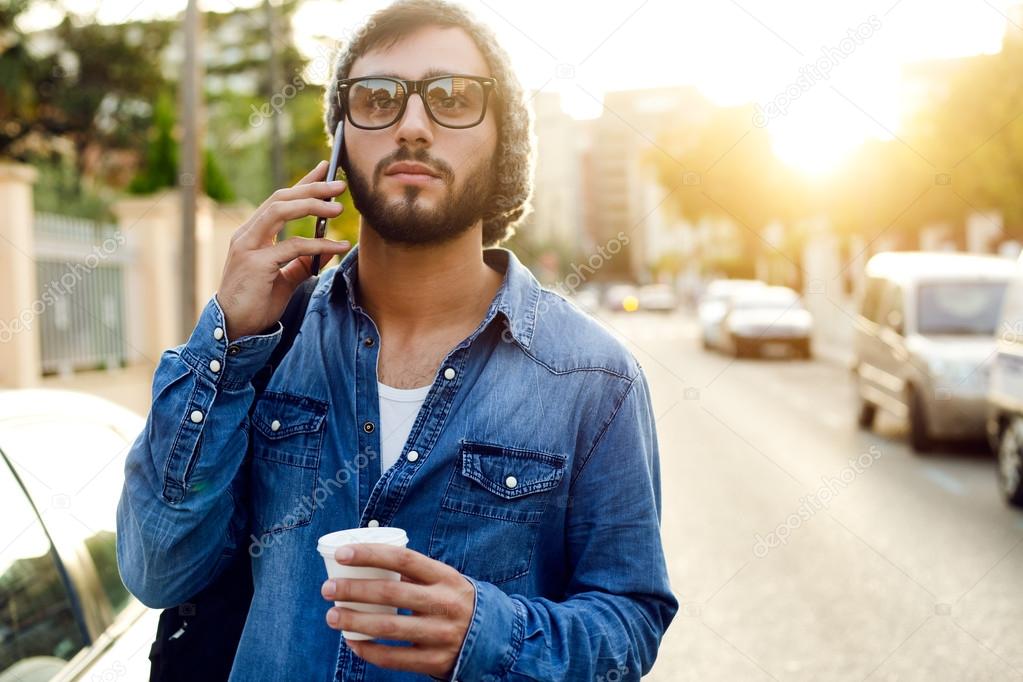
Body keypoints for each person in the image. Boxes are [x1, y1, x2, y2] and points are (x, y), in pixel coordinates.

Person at [116, 0, 677, 679]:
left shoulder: (596, 379)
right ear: (339, 144)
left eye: (452, 97)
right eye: (378, 98)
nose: (413, 125)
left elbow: (630, 620)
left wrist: (489, 632)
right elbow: (156, 571)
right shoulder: (263, 345)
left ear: (505, 141)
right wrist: (227, 343)